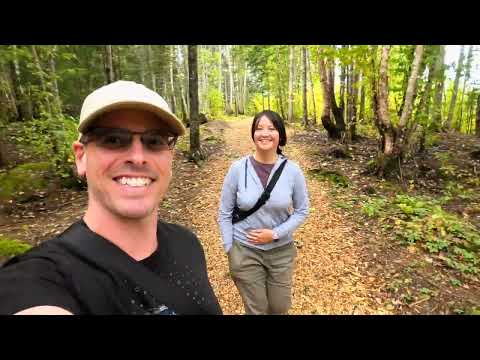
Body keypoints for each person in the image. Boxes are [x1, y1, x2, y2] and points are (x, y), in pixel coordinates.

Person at [0, 80, 222, 315]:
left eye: (154, 141)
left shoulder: (187, 243)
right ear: (81, 157)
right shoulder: (42, 278)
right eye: (113, 139)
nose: (138, 157)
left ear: (170, 157)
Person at [218, 110, 309, 315]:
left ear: (280, 135)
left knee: (279, 307)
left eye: (271, 128)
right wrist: (229, 248)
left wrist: (275, 233)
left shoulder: (292, 171)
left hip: (281, 251)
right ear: (253, 134)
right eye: (259, 128)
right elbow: (224, 212)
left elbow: (302, 210)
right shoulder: (238, 169)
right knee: (256, 309)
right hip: (244, 251)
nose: (264, 133)